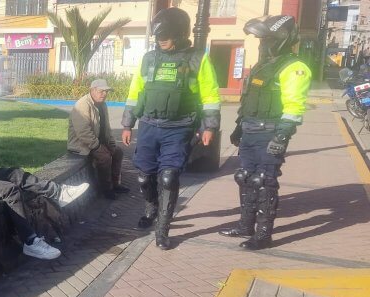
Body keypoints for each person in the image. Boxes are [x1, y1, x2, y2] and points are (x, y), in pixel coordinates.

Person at [121, 7, 221, 250]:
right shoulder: (149, 58)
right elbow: (136, 92)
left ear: (178, 34)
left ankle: (162, 230)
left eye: (165, 37)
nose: (160, 41)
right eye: (158, 37)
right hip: (148, 125)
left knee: (168, 177)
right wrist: (127, 123)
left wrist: (210, 126)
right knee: (145, 176)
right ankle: (151, 208)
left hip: (179, 127)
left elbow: (210, 93)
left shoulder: (198, 58)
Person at [218, 15, 311, 250]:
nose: (261, 44)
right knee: (245, 178)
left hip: (270, 133)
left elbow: (294, 106)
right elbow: (249, 100)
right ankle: (245, 226)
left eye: (265, 39)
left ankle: (263, 234)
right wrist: (239, 127)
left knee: (264, 181)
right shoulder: (262, 65)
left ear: (280, 39)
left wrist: (282, 136)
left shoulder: (294, 68)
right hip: (250, 130)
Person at [68, 79, 130, 199]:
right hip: (81, 145)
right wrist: (97, 147)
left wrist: (111, 143)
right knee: (104, 157)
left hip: (97, 142)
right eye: (101, 91)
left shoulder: (102, 104)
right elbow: (83, 132)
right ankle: (106, 190)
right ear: (92, 90)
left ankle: (115, 184)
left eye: (106, 91)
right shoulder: (82, 105)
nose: (104, 94)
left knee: (118, 152)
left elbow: (106, 127)